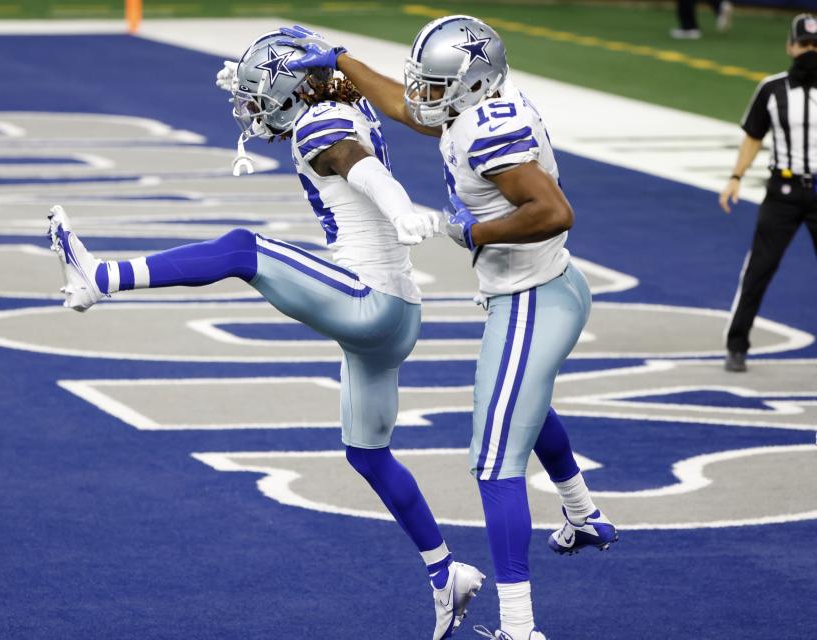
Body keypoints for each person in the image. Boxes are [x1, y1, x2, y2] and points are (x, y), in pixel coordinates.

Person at [48, 34, 487, 640]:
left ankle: (101, 278)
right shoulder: (345, 100)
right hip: (399, 317)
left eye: (259, 93)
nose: (252, 107)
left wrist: (400, 207)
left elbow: (356, 165)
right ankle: (445, 575)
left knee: (243, 249)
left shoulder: (320, 126)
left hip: (368, 302)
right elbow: (349, 115)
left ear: (291, 89)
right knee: (367, 455)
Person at [283, 15, 618, 640]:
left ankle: (519, 629)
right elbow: (408, 108)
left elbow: (553, 210)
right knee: (521, 405)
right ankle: (584, 513)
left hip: (531, 298)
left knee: (493, 463)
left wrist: (475, 231)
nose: (423, 94)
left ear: (472, 83)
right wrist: (341, 58)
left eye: (437, 85)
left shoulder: (486, 132)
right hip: (542, 289)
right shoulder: (483, 104)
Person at [719, 13, 817, 373]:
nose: (810, 51)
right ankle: (737, 344)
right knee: (759, 268)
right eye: (805, 44)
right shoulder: (772, 89)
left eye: (816, 45)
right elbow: (754, 135)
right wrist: (735, 176)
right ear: (791, 46)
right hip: (784, 191)